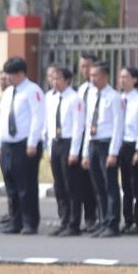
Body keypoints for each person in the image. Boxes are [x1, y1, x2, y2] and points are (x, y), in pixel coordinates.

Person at [0, 57, 45, 235]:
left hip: (25, 144)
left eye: (10, 74)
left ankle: (30, 222)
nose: (7, 78)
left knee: (26, 186)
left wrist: (32, 142)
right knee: (11, 186)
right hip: (8, 144)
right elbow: (2, 120)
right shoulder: (9, 92)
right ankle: (15, 221)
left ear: (20, 73)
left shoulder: (33, 91)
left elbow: (38, 118)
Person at [82, 61, 125, 238]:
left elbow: (118, 127)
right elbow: (87, 123)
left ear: (105, 76)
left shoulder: (114, 97)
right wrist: (85, 152)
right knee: (98, 186)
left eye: (96, 75)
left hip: (107, 143)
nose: (92, 79)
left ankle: (113, 223)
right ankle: (103, 220)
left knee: (110, 186)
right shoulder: (91, 95)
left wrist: (113, 152)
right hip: (93, 142)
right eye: (91, 75)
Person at [43, 66, 84, 237]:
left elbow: (78, 127)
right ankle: (63, 220)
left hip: (68, 143)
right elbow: (47, 123)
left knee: (71, 186)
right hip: (55, 143)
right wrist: (48, 147)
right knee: (59, 185)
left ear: (67, 80)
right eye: (52, 78)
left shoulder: (75, 99)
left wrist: (74, 152)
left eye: (58, 78)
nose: (54, 81)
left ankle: (73, 223)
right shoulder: (50, 98)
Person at [119, 66, 138, 235]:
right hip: (122, 144)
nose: (122, 80)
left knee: (135, 185)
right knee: (125, 186)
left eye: (126, 77)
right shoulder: (120, 99)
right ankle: (127, 220)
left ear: (135, 79)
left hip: (134, 145)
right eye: (121, 77)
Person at [76, 54, 100, 231]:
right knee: (82, 183)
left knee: (96, 182)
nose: (84, 70)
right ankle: (89, 217)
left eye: (87, 66)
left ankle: (99, 217)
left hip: (95, 138)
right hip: (80, 138)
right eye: (82, 66)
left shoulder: (100, 90)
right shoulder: (81, 89)